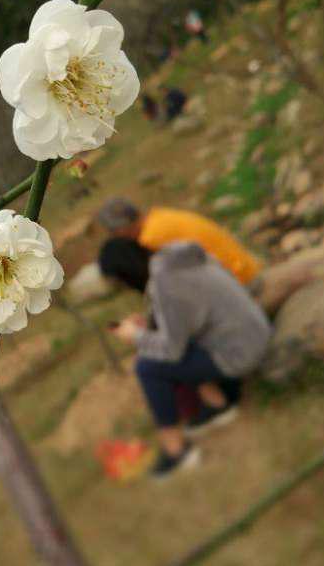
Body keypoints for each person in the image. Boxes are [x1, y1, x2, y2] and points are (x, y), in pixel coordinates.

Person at [99, 237, 271, 479]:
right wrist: (149, 326)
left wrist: (136, 336)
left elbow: (172, 350)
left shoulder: (165, 284)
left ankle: (177, 451)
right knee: (163, 350)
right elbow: (185, 321)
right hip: (253, 332)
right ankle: (218, 406)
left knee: (148, 367)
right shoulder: (175, 260)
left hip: (240, 353)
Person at [96, 198, 262, 286]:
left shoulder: (152, 238)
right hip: (245, 267)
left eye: (114, 232)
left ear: (122, 228)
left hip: (239, 281)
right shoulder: (159, 216)